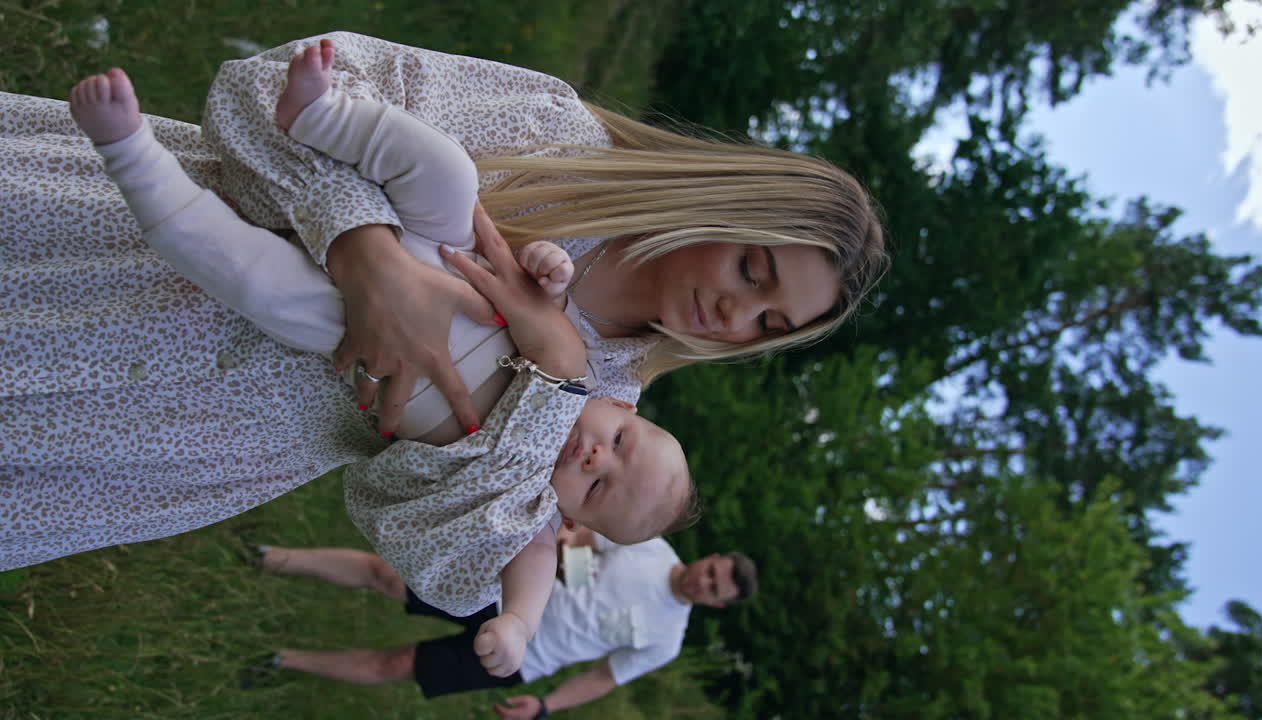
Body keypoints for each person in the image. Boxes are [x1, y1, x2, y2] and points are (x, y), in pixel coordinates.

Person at [0, 31, 887, 569]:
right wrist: (365, 255)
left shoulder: (608, 410)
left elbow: (427, 546)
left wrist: (556, 377)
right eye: (752, 272)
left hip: (172, 439)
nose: (737, 317)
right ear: (725, 205)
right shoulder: (554, 140)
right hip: (114, 270)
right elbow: (266, 89)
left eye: (770, 325)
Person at [65, 62, 700, 677]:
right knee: (448, 173)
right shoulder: (578, 366)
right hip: (453, 265)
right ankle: (325, 114)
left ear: (574, 523)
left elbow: (527, 576)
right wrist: (547, 263)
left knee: (259, 284)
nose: (595, 460)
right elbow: (540, 287)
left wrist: (519, 626)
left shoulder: (528, 514)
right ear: (621, 408)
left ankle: (133, 160)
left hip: (363, 344)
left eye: (597, 489)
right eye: (619, 444)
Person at [243, 531, 757, 718]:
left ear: (715, 605)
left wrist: (546, 707)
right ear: (709, 558)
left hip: (522, 660)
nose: (703, 582)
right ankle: (270, 557)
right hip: (502, 596)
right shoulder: (649, 543)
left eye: (715, 590)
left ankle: (283, 659)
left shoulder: (667, 639)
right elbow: (578, 541)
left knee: (398, 664)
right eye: (712, 573)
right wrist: (571, 557)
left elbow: (603, 677)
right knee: (387, 575)